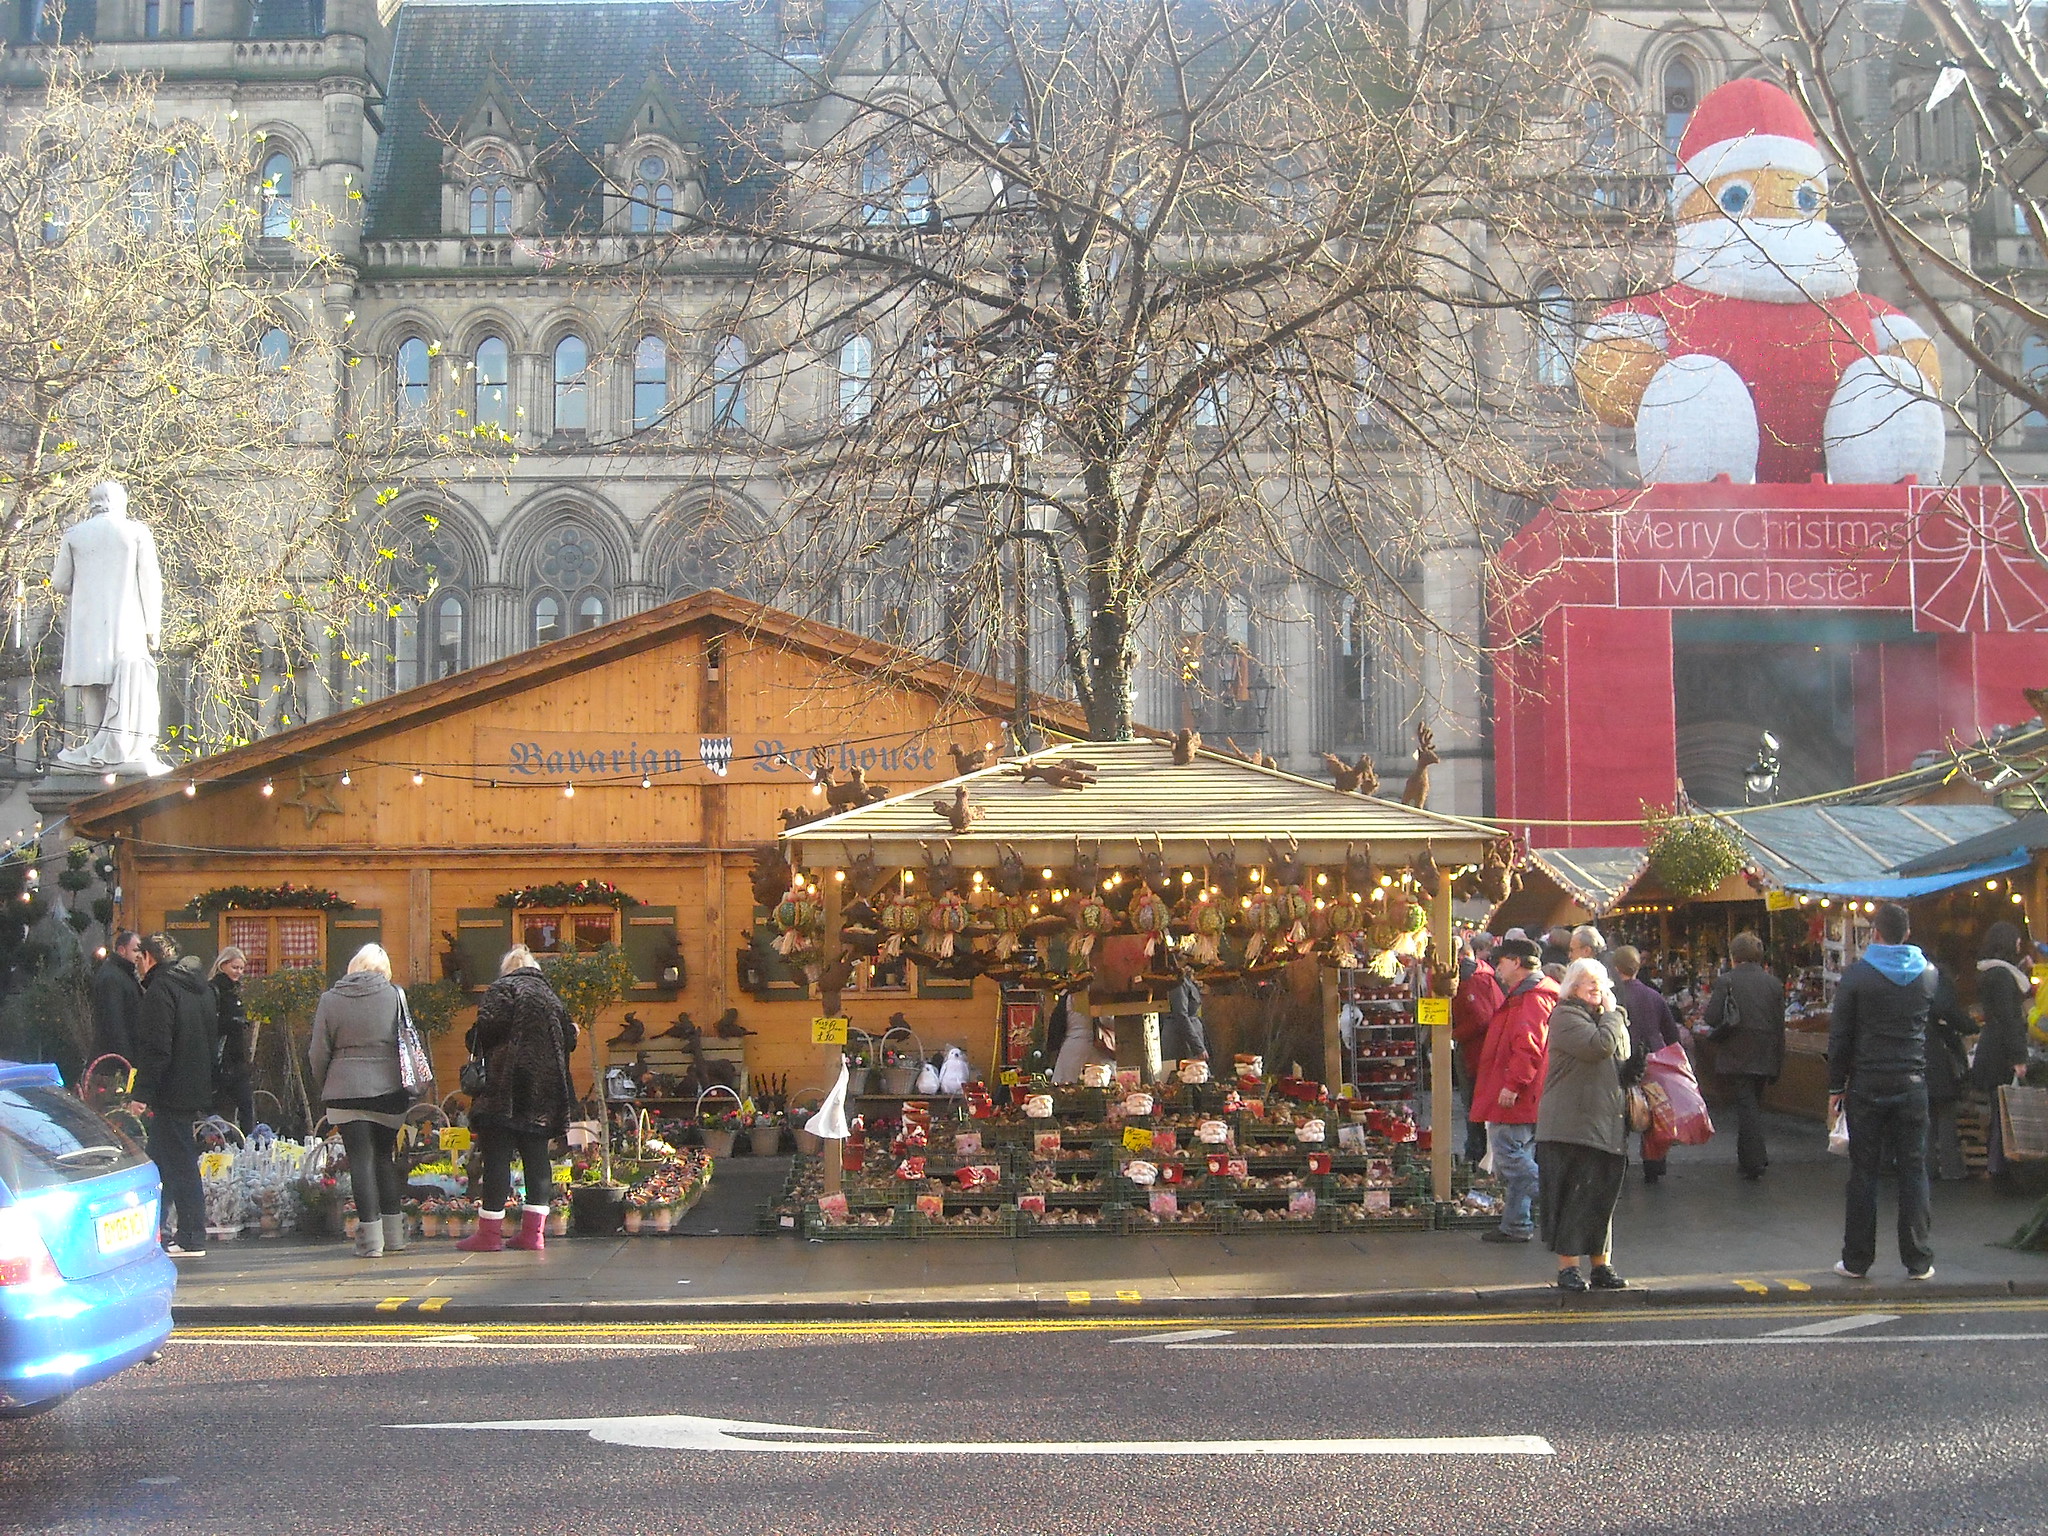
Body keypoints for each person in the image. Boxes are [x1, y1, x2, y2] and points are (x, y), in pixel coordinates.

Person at [1828, 902, 1936, 1281]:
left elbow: (1840, 1036)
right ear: (1906, 934)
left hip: (1868, 1085)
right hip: (1912, 1083)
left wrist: (1834, 1087)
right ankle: (1918, 1259)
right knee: (1913, 1170)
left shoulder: (1857, 976)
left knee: (1864, 1173)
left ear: (1875, 933)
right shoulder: (1928, 974)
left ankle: (1857, 1260)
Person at [460, 945, 578, 1254]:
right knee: (537, 1158)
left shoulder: (503, 989)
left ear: (508, 968)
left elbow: (486, 1030)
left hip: (504, 1088)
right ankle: (533, 1234)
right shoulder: (552, 998)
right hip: (543, 1091)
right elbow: (571, 1038)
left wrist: (472, 1035)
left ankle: (488, 1235)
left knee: (497, 1158)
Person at [1537, 958, 1633, 1291]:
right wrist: (1612, 1015)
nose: (1599, 988)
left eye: (1602, 982)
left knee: (1602, 1197)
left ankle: (1601, 1265)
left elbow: (1621, 1054)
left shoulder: (1607, 1017)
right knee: (1574, 1196)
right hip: (1572, 1125)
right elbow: (1599, 1047)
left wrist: (1614, 1017)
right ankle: (1568, 1268)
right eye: (1591, 983)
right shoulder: (1565, 1016)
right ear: (1573, 987)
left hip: (1606, 1122)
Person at [310, 944, 410, 1259]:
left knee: (360, 1161)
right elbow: (406, 1041)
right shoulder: (396, 996)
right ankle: (395, 1236)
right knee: (384, 1158)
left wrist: (326, 1081)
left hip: (345, 1088)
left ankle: (371, 1242)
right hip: (389, 1090)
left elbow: (318, 1051)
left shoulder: (329, 1000)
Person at [130, 933, 217, 1258]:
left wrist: (141, 1093)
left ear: (149, 958)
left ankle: (192, 1235)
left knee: (178, 1162)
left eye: (139, 959)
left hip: (170, 1089)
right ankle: (157, 1229)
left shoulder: (160, 990)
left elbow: (157, 1048)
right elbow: (212, 1039)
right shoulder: (200, 987)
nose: (137, 967)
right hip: (194, 1085)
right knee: (160, 1162)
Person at [1472, 936, 1558, 1244]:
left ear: (1517, 963)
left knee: (1509, 1154)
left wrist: (1512, 1085)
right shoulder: (1526, 996)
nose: (1498, 967)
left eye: (1502, 961)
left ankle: (1558, 1203)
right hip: (1525, 1091)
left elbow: (1528, 1047)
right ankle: (1517, 1224)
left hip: (1519, 1093)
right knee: (1519, 1153)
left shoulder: (1532, 999)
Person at [1702, 931, 1786, 1181]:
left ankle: (1754, 1159)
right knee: (1752, 1105)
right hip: (1765, 1052)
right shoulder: (1774, 984)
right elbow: (1779, 1025)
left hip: (1736, 1053)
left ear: (1733, 956)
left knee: (1746, 1106)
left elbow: (1711, 1017)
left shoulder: (1726, 981)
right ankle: (1748, 1157)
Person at [1610, 945, 1684, 1182]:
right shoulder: (1654, 996)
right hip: (1652, 1057)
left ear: (1615, 967)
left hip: (1621, 1059)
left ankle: (1620, 1163)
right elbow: (1672, 1033)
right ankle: (1654, 1164)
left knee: (1622, 1112)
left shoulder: (1613, 997)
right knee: (1652, 1113)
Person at [1971, 921, 2035, 1186]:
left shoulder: (1994, 972)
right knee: (2003, 1109)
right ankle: (1998, 1166)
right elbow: (2009, 1017)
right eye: (2017, 939)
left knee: (1998, 1107)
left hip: (1992, 1047)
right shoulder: (2001, 976)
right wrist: (2019, 1057)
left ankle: (1996, 1164)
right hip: (2001, 1051)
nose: (2020, 944)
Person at [1452, 933, 1503, 1163]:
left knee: (1474, 1104)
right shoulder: (1482, 976)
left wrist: (1452, 1036)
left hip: (1477, 1052)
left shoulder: (1473, 979)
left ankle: (1477, 1154)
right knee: (1475, 1103)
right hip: (1481, 1050)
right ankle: (1478, 1152)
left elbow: (1482, 1018)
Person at [1925, 962, 1974, 1183]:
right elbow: (1950, 1012)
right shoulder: (1939, 981)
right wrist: (1973, 1027)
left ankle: (1928, 1168)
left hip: (1914, 1059)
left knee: (1925, 1117)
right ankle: (1952, 1168)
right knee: (1945, 1114)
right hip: (1939, 1059)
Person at [208, 946, 254, 1132]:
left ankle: (247, 1144)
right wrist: (234, 1022)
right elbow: (212, 1023)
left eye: (241, 969)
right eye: (235, 967)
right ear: (223, 965)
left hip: (236, 1057)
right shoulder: (214, 989)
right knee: (220, 1108)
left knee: (246, 1106)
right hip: (221, 1057)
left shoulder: (238, 991)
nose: (239, 972)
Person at [89, 929, 144, 1067]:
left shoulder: (122, 974)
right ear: (121, 950)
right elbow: (114, 1022)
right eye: (135, 950)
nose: (139, 956)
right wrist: (127, 1059)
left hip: (118, 1057)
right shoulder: (113, 977)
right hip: (114, 1061)